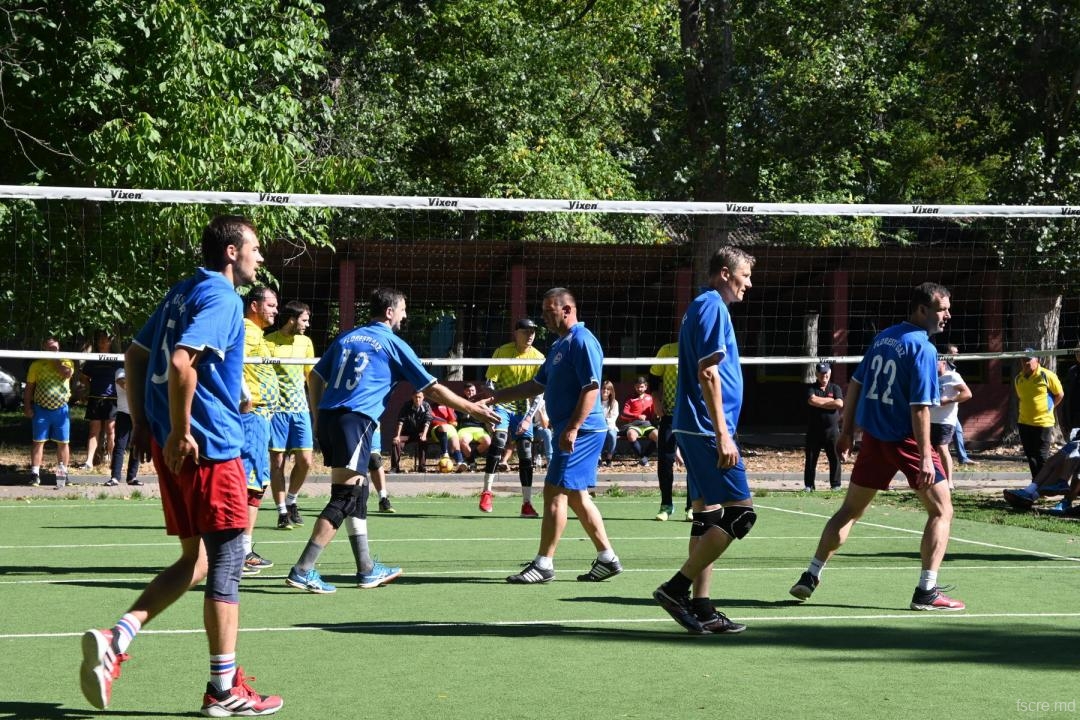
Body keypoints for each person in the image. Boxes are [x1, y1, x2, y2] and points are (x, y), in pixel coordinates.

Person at [79, 215, 283, 715]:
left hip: (178, 449)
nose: (260, 257)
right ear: (232, 252)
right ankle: (223, 690)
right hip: (206, 448)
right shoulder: (222, 297)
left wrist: (147, 425)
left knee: (197, 561)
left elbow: (134, 355)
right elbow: (179, 362)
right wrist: (179, 429)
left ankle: (117, 638)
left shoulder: (182, 291)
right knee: (228, 563)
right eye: (255, 248)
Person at [285, 287, 499, 594]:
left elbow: (316, 376)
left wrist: (318, 416)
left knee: (357, 491)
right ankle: (303, 569)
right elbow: (432, 388)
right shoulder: (392, 343)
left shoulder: (347, 337)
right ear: (389, 312)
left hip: (332, 418)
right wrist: (471, 409)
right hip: (355, 420)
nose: (405, 315)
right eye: (403, 309)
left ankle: (366, 569)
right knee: (344, 497)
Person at [789, 282, 965, 612]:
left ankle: (811, 575)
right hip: (905, 440)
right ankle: (926, 591)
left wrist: (847, 432)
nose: (948, 315)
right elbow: (920, 408)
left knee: (849, 510)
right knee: (942, 510)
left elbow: (856, 384)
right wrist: (926, 457)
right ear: (922, 310)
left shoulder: (884, 337)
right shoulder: (923, 349)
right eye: (942, 309)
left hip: (874, 440)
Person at [652, 246, 756, 635]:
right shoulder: (712, 306)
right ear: (725, 273)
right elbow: (708, 373)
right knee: (741, 515)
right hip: (707, 428)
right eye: (745, 275)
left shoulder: (702, 305)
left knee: (707, 516)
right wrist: (723, 434)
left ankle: (702, 607)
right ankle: (676, 589)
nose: (749, 284)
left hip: (694, 426)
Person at [496, 288, 621, 583]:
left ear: (566, 310)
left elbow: (591, 387)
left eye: (548, 311)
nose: (543, 317)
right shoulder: (558, 345)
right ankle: (608, 559)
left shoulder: (582, 340)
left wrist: (573, 428)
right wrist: (494, 397)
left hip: (583, 431)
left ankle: (544, 564)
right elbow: (535, 385)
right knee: (576, 496)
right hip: (573, 429)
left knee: (554, 491)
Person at [479, 317, 545, 517]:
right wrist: (490, 410)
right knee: (499, 440)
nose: (530, 335)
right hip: (502, 403)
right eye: (526, 332)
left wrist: (528, 418)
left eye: (533, 332)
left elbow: (539, 393)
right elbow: (490, 383)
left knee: (525, 451)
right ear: (516, 333)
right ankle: (487, 492)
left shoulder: (538, 357)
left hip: (524, 408)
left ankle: (527, 503)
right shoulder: (502, 352)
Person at [238, 286, 279, 576]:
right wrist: (245, 398)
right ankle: (239, 553)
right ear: (254, 306)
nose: (276, 310)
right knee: (250, 483)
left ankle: (241, 550)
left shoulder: (259, 335)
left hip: (262, 418)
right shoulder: (246, 329)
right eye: (271, 305)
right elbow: (232, 362)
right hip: (252, 417)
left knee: (256, 483)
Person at [266, 300, 316, 531]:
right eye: (304, 320)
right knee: (277, 462)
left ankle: (291, 500)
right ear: (292, 320)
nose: (307, 324)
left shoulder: (306, 342)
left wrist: (316, 410)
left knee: (305, 461)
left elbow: (310, 378)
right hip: (276, 411)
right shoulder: (268, 342)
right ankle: (281, 512)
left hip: (300, 410)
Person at [25, 336, 74, 487]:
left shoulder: (67, 362)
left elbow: (66, 374)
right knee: (38, 442)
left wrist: (55, 360)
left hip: (61, 411)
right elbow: (29, 388)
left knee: (63, 443)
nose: (53, 351)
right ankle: (35, 474)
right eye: (50, 348)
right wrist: (27, 406)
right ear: (44, 348)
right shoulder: (36, 365)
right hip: (41, 409)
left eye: (55, 348)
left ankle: (62, 475)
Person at [650, 340, 690, 521]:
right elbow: (653, 377)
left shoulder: (701, 348)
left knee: (693, 462)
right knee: (665, 461)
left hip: (692, 416)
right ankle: (666, 505)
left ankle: (692, 506)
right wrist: (656, 401)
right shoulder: (667, 350)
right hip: (669, 415)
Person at [1014, 348, 1064, 480]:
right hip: (1024, 423)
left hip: (1043, 423)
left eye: (1029, 360)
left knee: (1041, 456)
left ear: (1037, 360)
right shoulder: (1018, 378)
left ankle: (1047, 483)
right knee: (1031, 456)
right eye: (1023, 360)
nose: (1026, 363)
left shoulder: (1046, 375)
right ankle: (1036, 483)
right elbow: (1021, 398)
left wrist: (1049, 408)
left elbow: (1059, 394)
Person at [929, 352, 972, 490]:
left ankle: (949, 482)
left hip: (946, 420)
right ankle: (935, 480)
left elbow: (967, 394)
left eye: (935, 361)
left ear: (943, 363)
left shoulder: (953, 376)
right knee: (930, 451)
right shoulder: (930, 376)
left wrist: (949, 400)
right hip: (929, 419)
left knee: (942, 448)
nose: (932, 364)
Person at [79, 330, 120, 470]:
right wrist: (90, 388)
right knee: (93, 431)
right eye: (100, 339)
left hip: (112, 399)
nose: (102, 342)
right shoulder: (93, 359)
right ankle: (89, 462)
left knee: (111, 431)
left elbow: (124, 378)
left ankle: (114, 462)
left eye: (105, 339)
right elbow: (83, 378)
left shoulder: (117, 359)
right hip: (95, 399)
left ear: (110, 341)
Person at [803, 361, 844, 492]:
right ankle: (809, 486)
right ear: (816, 374)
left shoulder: (835, 388)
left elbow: (839, 404)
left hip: (832, 431)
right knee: (811, 459)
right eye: (821, 373)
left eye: (826, 373)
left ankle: (835, 485)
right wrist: (830, 401)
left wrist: (820, 402)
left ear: (830, 373)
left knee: (835, 458)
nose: (824, 376)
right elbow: (812, 400)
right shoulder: (811, 388)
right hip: (814, 431)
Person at [106, 366, 142, 487]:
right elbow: (125, 385)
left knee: (136, 446)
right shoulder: (120, 371)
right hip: (123, 414)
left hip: (138, 414)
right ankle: (115, 477)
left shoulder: (140, 371)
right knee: (120, 446)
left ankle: (132, 477)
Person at [946, 344, 976, 465]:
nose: (956, 355)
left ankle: (963, 458)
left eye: (957, 352)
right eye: (953, 352)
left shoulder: (952, 368)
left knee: (957, 431)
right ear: (946, 354)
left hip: (950, 408)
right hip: (943, 408)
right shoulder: (942, 366)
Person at [619, 375, 659, 467]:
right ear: (635, 387)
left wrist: (656, 414)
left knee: (658, 436)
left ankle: (644, 458)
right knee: (631, 435)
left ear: (646, 387)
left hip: (647, 425)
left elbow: (655, 412)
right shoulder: (630, 399)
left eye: (641, 387)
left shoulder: (651, 398)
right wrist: (637, 416)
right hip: (634, 425)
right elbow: (623, 414)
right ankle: (643, 459)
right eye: (637, 387)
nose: (639, 389)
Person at [390, 391, 432, 472]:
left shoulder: (426, 406)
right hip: (407, 434)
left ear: (423, 398)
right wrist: (397, 436)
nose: (417, 399)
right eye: (416, 397)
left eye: (419, 397)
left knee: (424, 441)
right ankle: (395, 468)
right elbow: (400, 421)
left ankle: (422, 467)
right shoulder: (407, 406)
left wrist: (424, 435)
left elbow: (428, 421)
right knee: (396, 442)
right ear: (412, 397)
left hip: (420, 434)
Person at [456, 381, 492, 467]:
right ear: (464, 391)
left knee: (487, 442)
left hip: (479, 428)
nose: (471, 392)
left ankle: (469, 459)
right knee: (463, 442)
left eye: (472, 390)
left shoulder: (481, 402)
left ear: (475, 391)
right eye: (468, 391)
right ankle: (472, 463)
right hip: (464, 428)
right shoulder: (460, 401)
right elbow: (458, 416)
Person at [430, 402, 470, 471]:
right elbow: (433, 419)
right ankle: (445, 454)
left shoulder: (449, 406)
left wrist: (448, 406)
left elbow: (453, 420)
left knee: (455, 443)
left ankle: (460, 463)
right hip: (437, 428)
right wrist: (446, 422)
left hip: (450, 427)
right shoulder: (432, 407)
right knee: (443, 427)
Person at [599, 379, 619, 467]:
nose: (605, 391)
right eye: (603, 388)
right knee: (599, 435)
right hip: (598, 427)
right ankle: (598, 457)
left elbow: (613, 417)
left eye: (608, 389)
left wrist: (605, 421)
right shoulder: (596, 402)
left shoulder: (614, 403)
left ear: (611, 391)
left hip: (610, 426)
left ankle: (609, 457)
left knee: (612, 435)